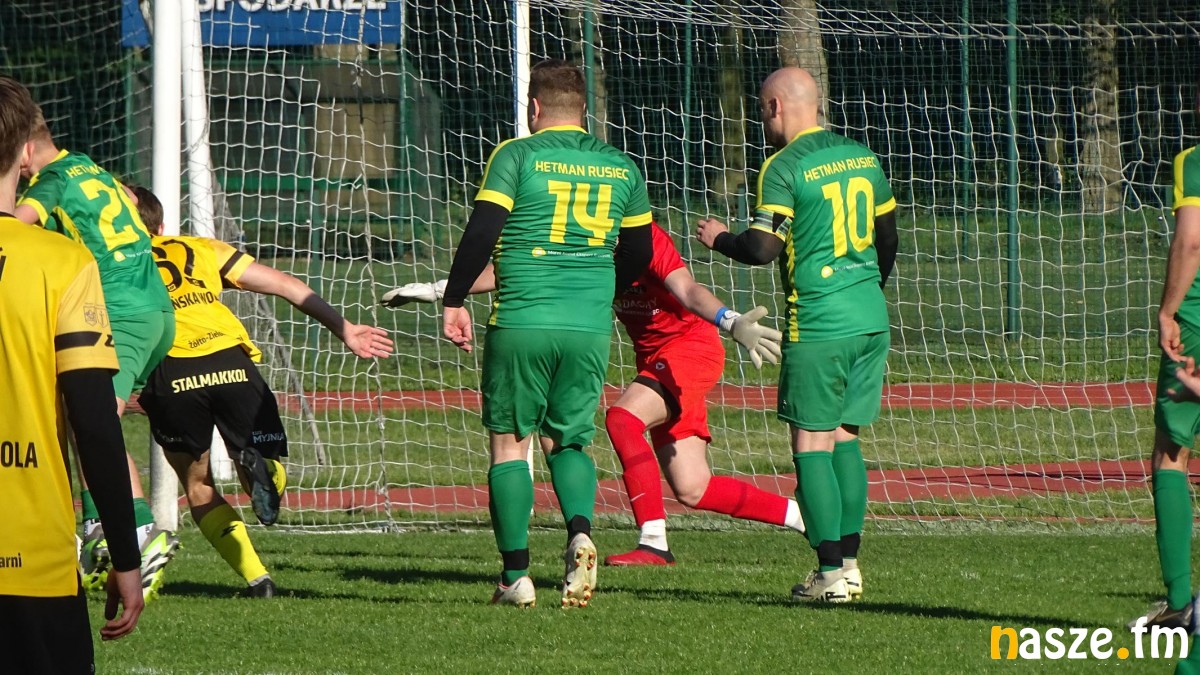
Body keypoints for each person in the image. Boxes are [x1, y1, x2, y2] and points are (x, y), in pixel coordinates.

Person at [384, 222, 803, 567]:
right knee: (693, 487)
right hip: (654, 358)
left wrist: (730, 321)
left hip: (691, 350)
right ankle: (804, 516)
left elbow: (688, 289)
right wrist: (442, 290)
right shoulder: (582, 237)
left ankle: (653, 542)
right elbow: (513, 271)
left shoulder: (645, 235)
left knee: (622, 420)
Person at [440, 59, 654, 608]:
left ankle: (516, 578)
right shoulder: (621, 165)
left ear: (534, 107)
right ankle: (580, 532)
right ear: (583, 111)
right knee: (570, 440)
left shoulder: (516, 155)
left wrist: (454, 298)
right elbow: (639, 251)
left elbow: (482, 231)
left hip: (523, 319)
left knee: (510, 445)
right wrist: (598, 287)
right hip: (587, 326)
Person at [127, 185, 394, 597]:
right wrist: (344, 328)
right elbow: (286, 285)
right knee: (256, 463)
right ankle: (265, 470)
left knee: (198, 485)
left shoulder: (110, 262)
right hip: (230, 361)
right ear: (161, 226)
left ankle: (258, 580)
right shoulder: (200, 248)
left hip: (171, 370)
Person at [696, 67, 898, 603]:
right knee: (846, 439)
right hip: (870, 317)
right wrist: (866, 289)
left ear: (775, 107)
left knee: (810, 445)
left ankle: (829, 575)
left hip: (820, 322)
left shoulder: (783, 165)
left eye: (762, 110)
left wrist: (721, 238)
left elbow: (762, 248)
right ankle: (848, 565)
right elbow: (888, 237)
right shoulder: (861, 155)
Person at [0, 75, 143, 672]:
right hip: (32, 560)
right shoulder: (63, 263)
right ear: (24, 153)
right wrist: (126, 556)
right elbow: (94, 423)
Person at [14, 104, 178, 599]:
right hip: (153, 306)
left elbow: (16, 224)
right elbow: (128, 202)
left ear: (25, 150)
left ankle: (137, 533)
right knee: (78, 412)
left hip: (120, 310)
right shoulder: (87, 165)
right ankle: (99, 527)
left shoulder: (50, 182)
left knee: (94, 421)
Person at [1128, 122, 1200, 630]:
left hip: (1196, 323)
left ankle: (1179, 603)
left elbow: (1191, 241)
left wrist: (1167, 311)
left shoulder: (1193, 161)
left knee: (1172, 452)